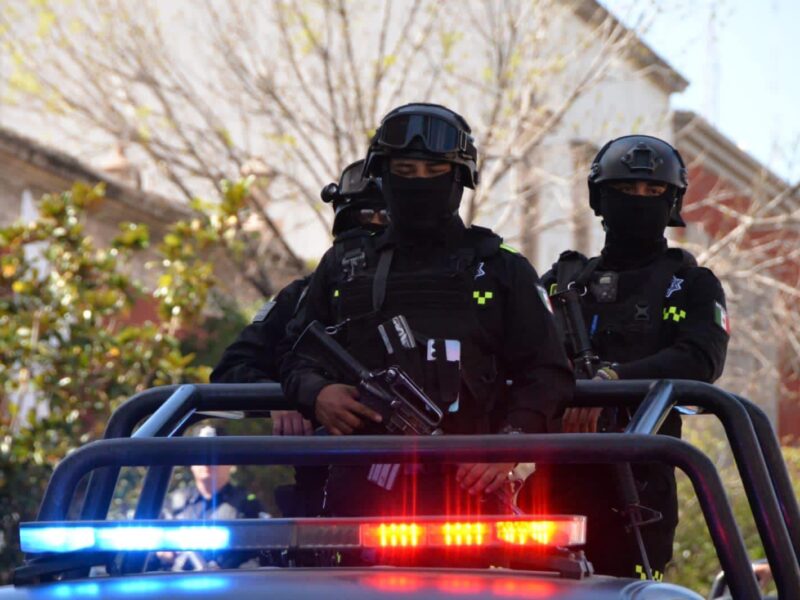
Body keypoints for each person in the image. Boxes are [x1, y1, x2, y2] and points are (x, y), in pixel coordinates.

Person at [279, 102, 573, 519]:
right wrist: (318, 394)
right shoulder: (346, 265)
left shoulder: (501, 269)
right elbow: (296, 354)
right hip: (362, 490)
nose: (419, 182)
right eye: (405, 170)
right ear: (383, 174)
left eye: (434, 171)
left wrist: (508, 445)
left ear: (459, 178)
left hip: (469, 492)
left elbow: (548, 373)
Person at [538, 134, 730, 579]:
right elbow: (519, 358)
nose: (639, 199)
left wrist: (611, 382)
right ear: (600, 198)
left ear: (672, 201)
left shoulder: (690, 284)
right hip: (554, 478)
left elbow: (700, 359)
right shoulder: (562, 283)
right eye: (625, 189)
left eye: (653, 190)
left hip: (640, 484)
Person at [210, 160, 388, 516]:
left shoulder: (446, 294)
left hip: (436, 493)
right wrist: (288, 397)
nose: (370, 236)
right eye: (361, 221)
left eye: (383, 222)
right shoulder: (305, 297)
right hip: (327, 494)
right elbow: (230, 371)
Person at [153, 425, 267, 571]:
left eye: (216, 453)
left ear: (231, 461)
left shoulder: (248, 507)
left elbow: (260, 559)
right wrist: (161, 553)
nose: (207, 461)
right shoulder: (172, 505)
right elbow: (145, 560)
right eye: (200, 453)